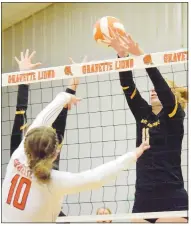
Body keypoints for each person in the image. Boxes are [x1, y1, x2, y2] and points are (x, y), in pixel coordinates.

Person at [2, 75, 150, 222]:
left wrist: (66, 96)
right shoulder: (54, 181)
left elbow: (41, 120)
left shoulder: (18, 155)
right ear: (55, 154)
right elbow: (96, 177)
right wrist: (134, 154)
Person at [104, 29, 188, 223]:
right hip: (144, 194)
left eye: (157, 90)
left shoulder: (174, 114)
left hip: (171, 194)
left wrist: (141, 56)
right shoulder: (143, 114)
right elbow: (128, 87)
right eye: (151, 89)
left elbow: (160, 86)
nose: (152, 90)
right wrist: (122, 57)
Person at [9, 49, 80, 219]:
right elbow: (59, 121)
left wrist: (24, 78)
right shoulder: (47, 155)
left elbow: (21, 111)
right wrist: (73, 84)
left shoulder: (16, 158)